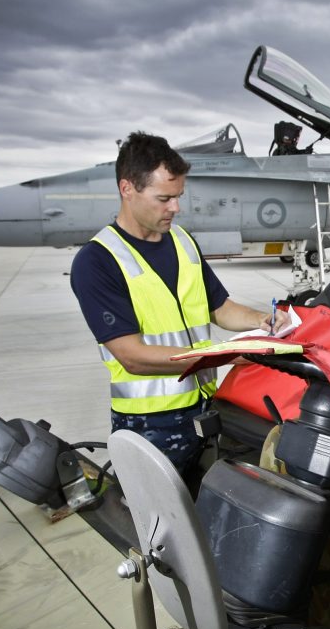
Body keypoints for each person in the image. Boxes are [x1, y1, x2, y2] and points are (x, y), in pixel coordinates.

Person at [71, 131, 283, 478]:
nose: (176, 208)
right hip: (150, 425)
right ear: (127, 189)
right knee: (154, 513)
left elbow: (220, 308)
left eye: (178, 196)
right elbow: (132, 357)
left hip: (208, 410)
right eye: (164, 198)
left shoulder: (182, 241)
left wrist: (262, 320)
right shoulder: (98, 261)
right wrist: (225, 355)